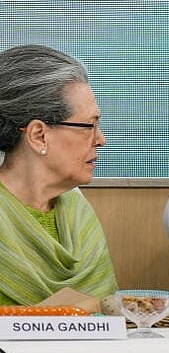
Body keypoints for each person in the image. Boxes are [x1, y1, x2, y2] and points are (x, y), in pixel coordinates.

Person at [0, 44, 118, 305]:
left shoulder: (77, 210)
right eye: (89, 126)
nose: (101, 139)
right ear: (39, 135)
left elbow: (104, 316)